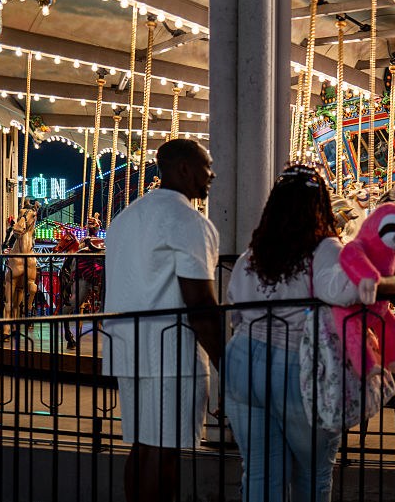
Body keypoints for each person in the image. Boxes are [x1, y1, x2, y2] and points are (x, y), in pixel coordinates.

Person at [224, 165, 365, 502]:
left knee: (259, 471)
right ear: (321, 206)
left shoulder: (252, 255)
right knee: (312, 474)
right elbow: (344, 292)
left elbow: (236, 309)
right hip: (297, 363)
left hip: (244, 357)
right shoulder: (325, 249)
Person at [103, 138, 222, 502]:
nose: (212, 175)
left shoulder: (125, 219)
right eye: (207, 166)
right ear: (184, 168)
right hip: (170, 355)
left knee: (142, 445)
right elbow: (200, 303)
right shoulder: (188, 221)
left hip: (128, 346)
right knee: (165, 450)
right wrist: (229, 365)